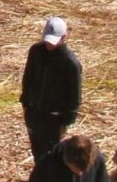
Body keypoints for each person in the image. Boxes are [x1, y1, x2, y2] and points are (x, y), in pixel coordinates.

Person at [20, 16, 83, 163]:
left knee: (51, 155)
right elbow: (28, 77)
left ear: (64, 37)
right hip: (34, 112)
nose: (49, 44)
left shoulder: (70, 63)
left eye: (54, 41)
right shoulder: (35, 51)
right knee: (37, 150)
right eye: (47, 40)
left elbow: (74, 96)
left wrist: (66, 123)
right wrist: (25, 103)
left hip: (54, 118)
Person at [27, 134, 109, 182]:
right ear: (66, 159)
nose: (80, 174)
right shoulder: (46, 165)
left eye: (85, 170)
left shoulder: (97, 159)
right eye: (77, 168)